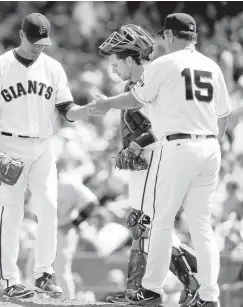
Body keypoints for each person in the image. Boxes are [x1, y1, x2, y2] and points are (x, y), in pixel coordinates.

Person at [91, 13, 231, 307]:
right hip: (209, 147)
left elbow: (135, 101)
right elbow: (224, 115)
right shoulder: (211, 65)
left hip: (178, 147)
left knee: (158, 223)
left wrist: (104, 104)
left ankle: (151, 290)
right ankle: (209, 296)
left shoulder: (165, 64)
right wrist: (210, 143)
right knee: (202, 228)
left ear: (168, 35)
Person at [0, 13, 94, 299]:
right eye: (33, 41)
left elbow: (66, 109)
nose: (38, 47)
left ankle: (44, 273)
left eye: (43, 42)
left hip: (42, 145)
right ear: (21, 35)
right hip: (8, 145)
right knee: (11, 212)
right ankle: (11, 281)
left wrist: (86, 110)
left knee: (49, 206)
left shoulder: (52, 68)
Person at [25, 157, 100, 299]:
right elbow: (33, 209)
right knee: (33, 268)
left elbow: (91, 201)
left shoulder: (69, 182)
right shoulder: (43, 183)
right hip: (46, 231)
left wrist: (75, 222)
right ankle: (40, 300)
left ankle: (68, 301)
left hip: (64, 230)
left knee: (61, 270)